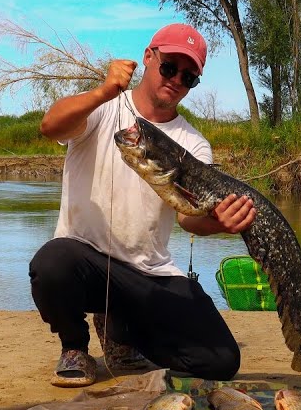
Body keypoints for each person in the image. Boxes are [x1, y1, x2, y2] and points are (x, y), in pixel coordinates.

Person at [28, 23, 257, 387]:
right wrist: (103, 90)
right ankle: (75, 346)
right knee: (51, 264)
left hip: (149, 272)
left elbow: (188, 217)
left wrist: (219, 223)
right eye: (169, 67)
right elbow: (51, 126)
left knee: (220, 361)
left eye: (189, 76)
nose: (177, 79)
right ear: (149, 58)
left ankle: (124, 333)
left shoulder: (193, 143)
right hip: (84, 260)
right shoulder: (104, 107)